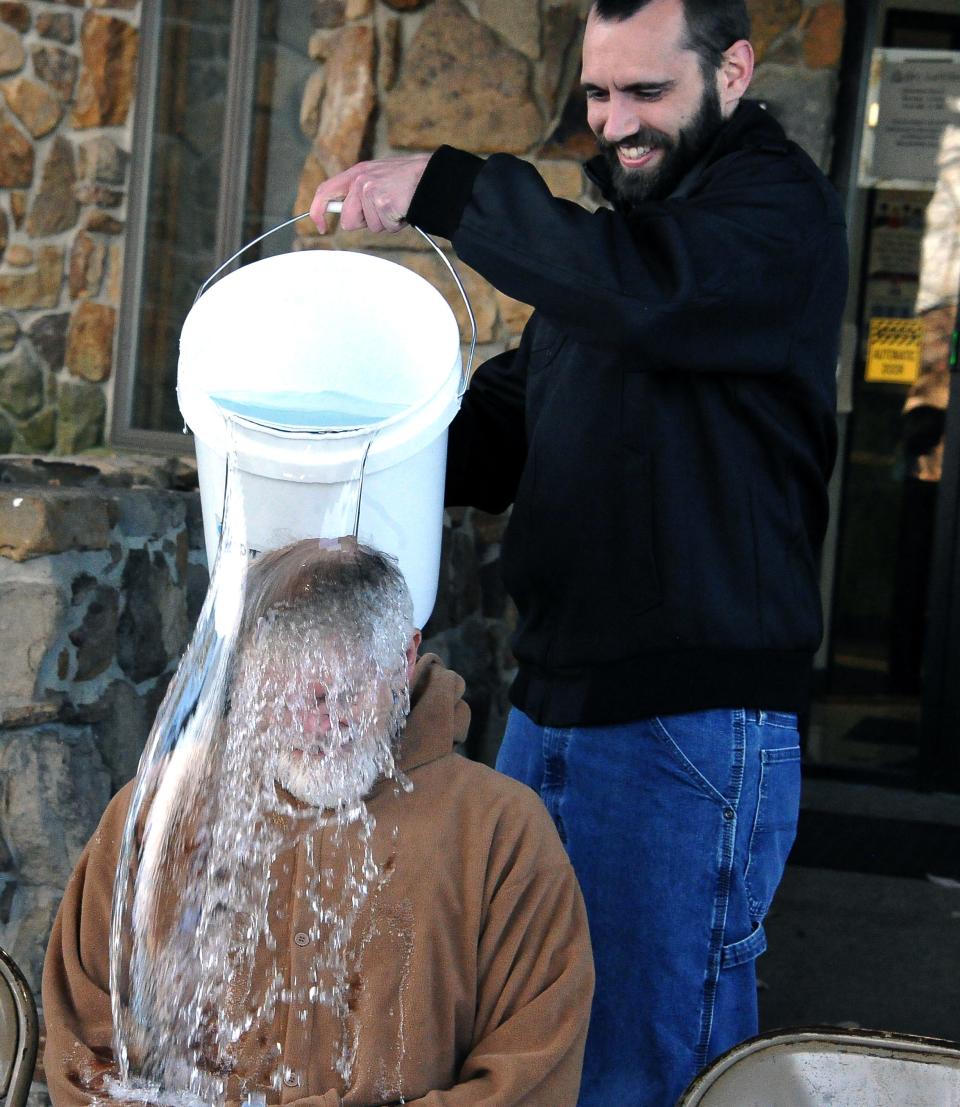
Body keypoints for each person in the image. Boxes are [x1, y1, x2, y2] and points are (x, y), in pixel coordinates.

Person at [309, 0, 848, 1102]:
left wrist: (445, 187)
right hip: (552, 712)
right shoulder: (620, 257)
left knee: (641, 1072)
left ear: (733, 71)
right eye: (599, 96)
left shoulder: (769, 218)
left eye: (647, 92)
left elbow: (648, 293)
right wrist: (342, 454)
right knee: (530, 1054)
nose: (617, 123)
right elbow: (506, 426)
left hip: (686, 733)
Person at [42, 538, 594, 1106]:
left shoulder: (500, 831)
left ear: (405, 660)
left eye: (343, 693)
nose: (314, 724)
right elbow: (82, 1047)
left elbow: (531, 1080)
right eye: (281, 694)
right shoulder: (165, 809)